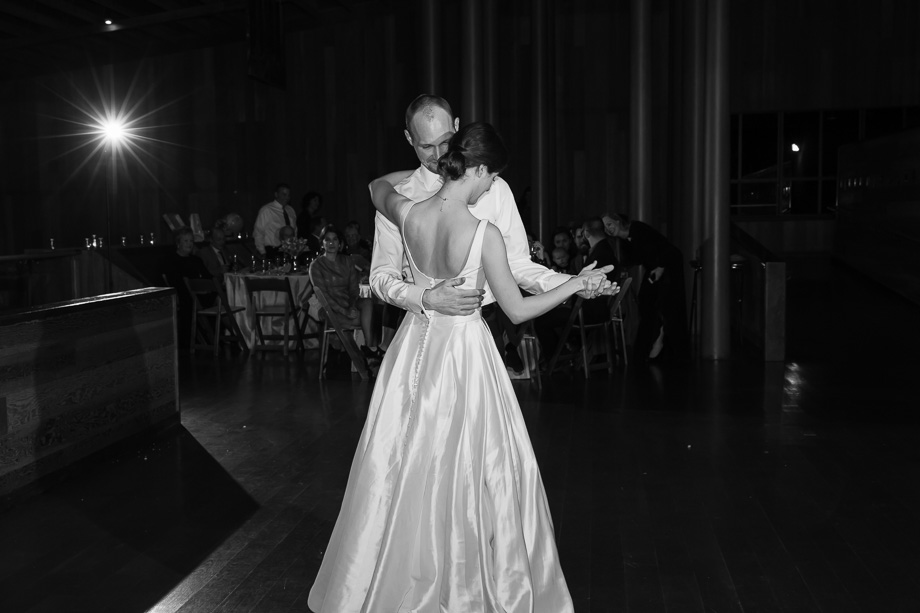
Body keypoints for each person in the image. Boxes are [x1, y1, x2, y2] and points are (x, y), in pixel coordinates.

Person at [308, 122, 611, 613]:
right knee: (476, 466)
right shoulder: (482, 231)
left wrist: (569, 277)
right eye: (492, 176)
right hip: (465, 352)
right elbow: (516, 311)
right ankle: (465, 583)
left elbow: (378, 190)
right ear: (481, 168)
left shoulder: (408, 214)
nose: (493, 185)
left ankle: (399, 575)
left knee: (406, 465)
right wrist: (576, 285)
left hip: (415, 348)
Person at [367, 94, 615, 367]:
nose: (438, 156)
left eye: (446, 142)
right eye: (426, 146)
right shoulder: (403, 195)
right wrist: (425, 298)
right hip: (421, 330)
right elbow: (380, 278)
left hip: (484, 328)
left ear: (458, 127)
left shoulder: (495, 189)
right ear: (408, 138)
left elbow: (518, 264)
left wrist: (572, 284)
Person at [603, 212, 689, 361]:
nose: (608, 229)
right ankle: (650, 346)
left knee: (668, 307)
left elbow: (665, 247)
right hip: (655, 269)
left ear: (618, 221)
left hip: (668, 265)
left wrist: (661, 266)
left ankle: (667, 345)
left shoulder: (637, 229)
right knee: (646, 302)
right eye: (605, 227)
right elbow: (631, 260)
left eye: (609, 224)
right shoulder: (624, 240)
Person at [308, 224, 381, 361]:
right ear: (322, 243)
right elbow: (323, 296)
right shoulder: (316, 266)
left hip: (348, 305)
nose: (331, 243)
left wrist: (352, 306)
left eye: (335, 239)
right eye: (327, 239)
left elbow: (354, 290)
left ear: (340, 243)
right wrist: (345, 311)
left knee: (369, 303)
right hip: (329, 309)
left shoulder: (347, 261)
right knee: (370, 319)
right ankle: (370, 356)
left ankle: (370, 349)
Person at [159, 227, 212, 349]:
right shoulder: (170, 260)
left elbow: (208, 278)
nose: (189, 244)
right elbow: (170, 281)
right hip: (183, 298)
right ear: (178, 243)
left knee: (221, 297)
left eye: (191, 241)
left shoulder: (196, 260)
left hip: (200, 295)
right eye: (186, 241)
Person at [253, 183, 297, 255]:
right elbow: (258, 233)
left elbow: (294, 231)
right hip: (272, 250)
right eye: (284, 194)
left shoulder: (290, 210)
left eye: (288, 195)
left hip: (288, 251)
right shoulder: (267, 210)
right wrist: (262, 252)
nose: (287, 197)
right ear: (276, 194)